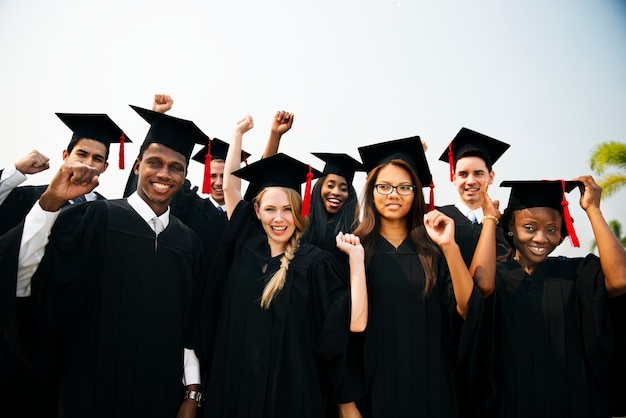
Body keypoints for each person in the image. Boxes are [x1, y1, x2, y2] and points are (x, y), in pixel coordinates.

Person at [0, 105, 209, 418]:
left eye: (175, 167)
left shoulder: (189, 243)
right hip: (92, 391)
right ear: (137, 166)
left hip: (159, 396)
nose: (164, 174)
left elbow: (190, 326)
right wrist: (50, 202)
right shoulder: (95, 219)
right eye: (154, 163)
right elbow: (26, 272)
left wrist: (192, 391)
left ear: (184, 174)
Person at [189, 114, 367, 418]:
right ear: (256, 211)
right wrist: (238, 134)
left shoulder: (315, 264)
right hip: (233, 390)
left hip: (290, 397)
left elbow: (355, 323)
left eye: (287, 209)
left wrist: (357, 261)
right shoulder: (243, 249)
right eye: (270, 209)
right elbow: (233, 189)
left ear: (299, 209)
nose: (279, 218)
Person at [346, 135, 492, 417]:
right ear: (371, 191)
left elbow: (467, 307)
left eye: (404, 187)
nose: (394, 194)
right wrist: (346, 403)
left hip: (432, 387)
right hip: (372, 389)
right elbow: (341, 338)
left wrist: (449, 246)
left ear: (417, 193)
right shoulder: (354, 248)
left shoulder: (434, 249)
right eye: (384, 186)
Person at [0, 112, 129, 418]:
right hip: (20, 334)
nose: (88, 163)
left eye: (97, 158)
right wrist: (15, 172)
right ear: (65, 155)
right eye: (81, 154)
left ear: (105, 167)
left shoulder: (110, 214)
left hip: (76, 343)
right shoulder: (30, 197)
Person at [476, 177, 626, 417]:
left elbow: (621, 279)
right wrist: (489, 219)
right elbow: (480, 284)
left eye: (552, 230)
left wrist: (593, 210)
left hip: (571, 402)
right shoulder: (498, 277)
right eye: (530, 227)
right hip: (511, 403)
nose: (541, 238)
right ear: (511, 227)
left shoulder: (577, 273)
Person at [300, 152, 366, 418]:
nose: (336, 192)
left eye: (344, 188)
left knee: (344, 398)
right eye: (330, 184)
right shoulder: (301, 228)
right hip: (304, 323)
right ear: (318, 187)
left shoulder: (356, 233)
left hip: (340, 326)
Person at [437, 127, 511, 267]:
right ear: (454, 178)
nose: (470, 181)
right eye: (463, 174)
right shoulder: (438, 219)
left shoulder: (504, 226)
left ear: (491, 177)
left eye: (478, 173)